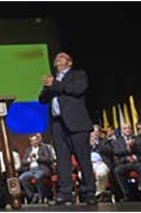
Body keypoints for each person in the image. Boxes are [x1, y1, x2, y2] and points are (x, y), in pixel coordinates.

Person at [39, 52, 96, 206]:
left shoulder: (78, 75)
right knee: (62, 160)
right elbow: (42, 99)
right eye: (56, 57)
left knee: (83, 159)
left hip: (77, 123)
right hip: (58, 124)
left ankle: (89, 192)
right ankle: (65, 193)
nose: (58, 59)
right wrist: (48, 87)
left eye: (62, 57)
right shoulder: (52, 79)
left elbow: (78, 90)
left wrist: (54, 84)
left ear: (69, 62)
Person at [19, 133, 52, 204]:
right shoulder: (28, 150)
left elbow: (48, 159)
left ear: (38, 141)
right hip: (31, 170)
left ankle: (41, 196)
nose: (33, 142)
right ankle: (32, 196)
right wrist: (29, 159)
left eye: (35, 141)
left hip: (41, 169)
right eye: (32, 141)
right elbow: (23, 161)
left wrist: (37, 157)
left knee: (38, 177)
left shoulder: (44, 148)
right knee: (22, 178)